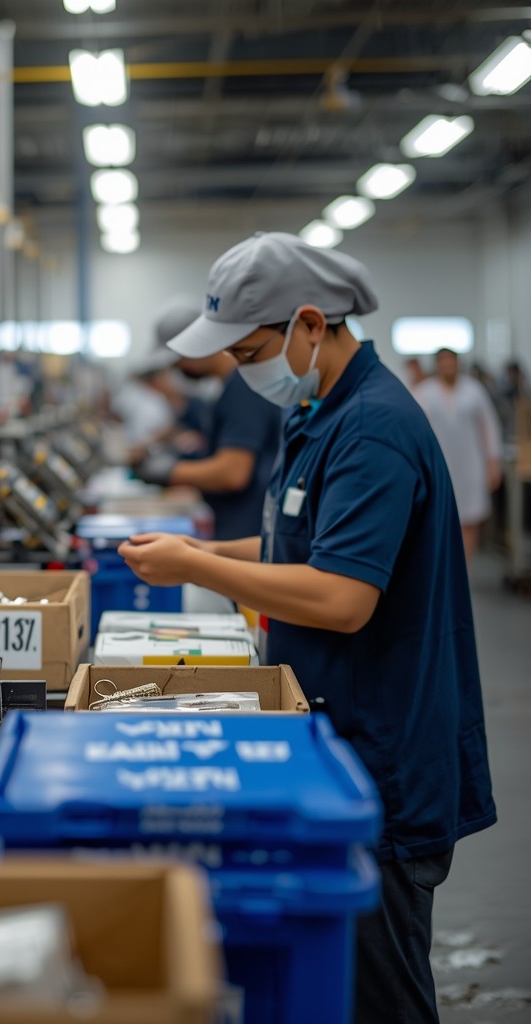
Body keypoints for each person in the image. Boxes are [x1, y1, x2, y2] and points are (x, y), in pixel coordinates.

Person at [117, 231, 496, 1024]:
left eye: (252, 348)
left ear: (311, 324)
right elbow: (303, 547)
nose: (244, 369)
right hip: (340, 741)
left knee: (383, 999)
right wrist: (199, 548)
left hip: (384, 763)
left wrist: (196, 568)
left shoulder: (374, 428)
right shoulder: (320, 413)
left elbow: (340, 595)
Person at [135, 301, 283, 541]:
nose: (178, 367)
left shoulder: (242, 388)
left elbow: (232, 473)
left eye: (179, 358)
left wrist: (170, 472)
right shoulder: (227, 388)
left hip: (247, 528)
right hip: (239, 522)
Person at [414, 349, 503, 563]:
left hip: (471, 464)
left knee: (468, 519)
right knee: (437, 517)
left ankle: (464, 569)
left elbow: (489, 427)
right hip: (437, 464)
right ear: (437, 365)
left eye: (451, 362)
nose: (448, 367)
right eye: (443, 363)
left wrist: (493, 462)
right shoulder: (423, 392)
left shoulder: (474, 390)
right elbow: (413, 429)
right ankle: (441, 568)